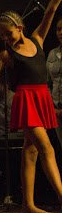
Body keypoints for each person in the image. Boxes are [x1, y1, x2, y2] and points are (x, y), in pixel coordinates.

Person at [0, 0, 62, 213]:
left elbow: (51, 9)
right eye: (1, 35)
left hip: (41, 96)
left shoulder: (37, 39)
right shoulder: (6, 55)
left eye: (8, 33)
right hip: (27, 101)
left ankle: (28, 204)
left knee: (30, 151)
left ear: (20, 28)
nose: (5, 38)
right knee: (47, 147)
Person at [46, 16, 62, 147]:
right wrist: (52, 107)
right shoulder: (52, 54)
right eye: (58, 29)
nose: (61, 32)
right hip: (57, 111)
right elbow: (48, 83)